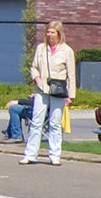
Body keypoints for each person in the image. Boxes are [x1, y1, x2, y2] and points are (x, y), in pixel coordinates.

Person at [21, 20, 76, 166]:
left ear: (59, 33)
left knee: (55, 123)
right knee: (36, 121)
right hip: (41, 89)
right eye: (48, 32)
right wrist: (36, 77)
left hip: (58, 90)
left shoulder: (67, 50)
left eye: (53, 32)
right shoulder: (41, 48)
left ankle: (55, 155)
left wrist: (70, 95)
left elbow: (71, 74)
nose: (50, 35)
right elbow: (33, 67)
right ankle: (30, 154)